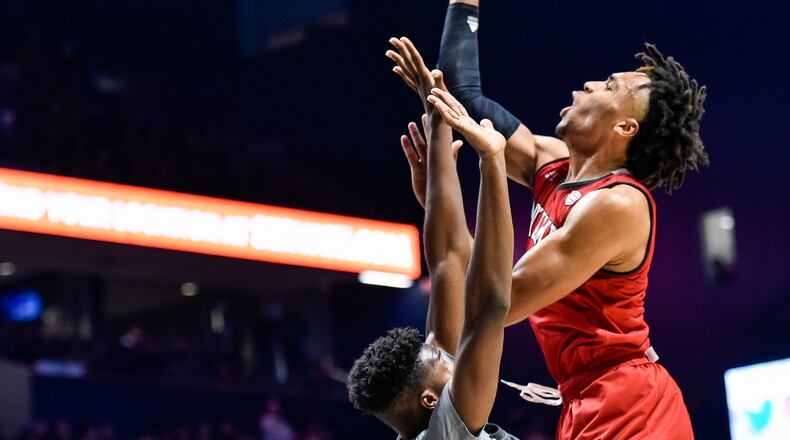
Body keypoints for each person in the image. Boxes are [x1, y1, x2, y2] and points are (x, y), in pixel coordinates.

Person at [384, 1, 707, 438]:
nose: (590, 84)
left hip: (630, 401)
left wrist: (448, 204)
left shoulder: (618, 205)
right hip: (580, 399)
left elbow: (495, 303)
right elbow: (464, 96)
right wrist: (465, 6)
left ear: (625, 128)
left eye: (609, 86)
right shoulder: (553, 164)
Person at [346, 52, 518, 438]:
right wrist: (492, 160)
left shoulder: (430, 416)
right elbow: (491, 305)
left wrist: (438, 117)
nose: (445, 346)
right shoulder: (447, 431)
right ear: (430, 399)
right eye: (440, 358)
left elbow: (447, 261)